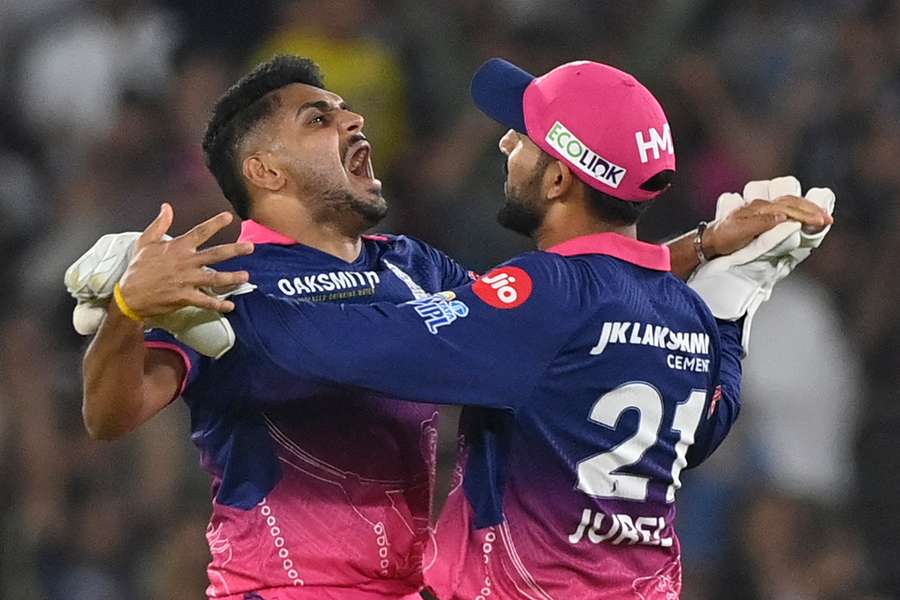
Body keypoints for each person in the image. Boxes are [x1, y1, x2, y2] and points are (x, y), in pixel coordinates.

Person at [77, 56, 830, 599]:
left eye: (347, 108)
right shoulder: (219, 270)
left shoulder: (412, 266)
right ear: (265, 171)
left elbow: (560, 325)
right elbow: (111, 415)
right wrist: (130, 312)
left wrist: (699, 248)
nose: (354, 118)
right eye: (320, 116)